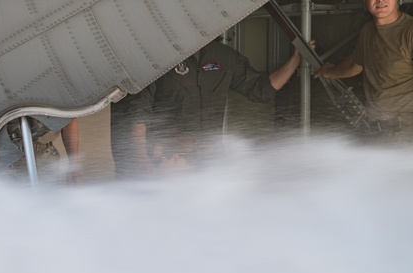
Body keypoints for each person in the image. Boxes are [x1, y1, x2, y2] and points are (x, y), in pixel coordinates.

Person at [113, 38, 304, 175]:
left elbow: (262, 89)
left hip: (202, 164)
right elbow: (137, 116)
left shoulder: (224, 57)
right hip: (163, 163)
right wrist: (144, 165)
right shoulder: (156, 59)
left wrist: (296, 59)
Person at [315, 0, 413, 141]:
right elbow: (355, 65)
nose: (380, 1)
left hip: (405, 132)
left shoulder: (409, 32)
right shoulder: (368, 31)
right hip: (375, 129)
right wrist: (328, 72)